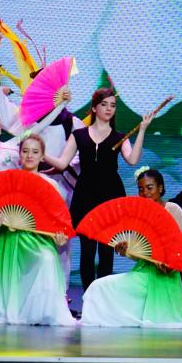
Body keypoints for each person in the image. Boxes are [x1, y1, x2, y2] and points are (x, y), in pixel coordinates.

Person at [44, 88, 153, 290]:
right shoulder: (78, 135)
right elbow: (62, 163)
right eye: (104, 104)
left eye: (113, 105)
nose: (109, 108)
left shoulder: (120, 137)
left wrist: (143, 130)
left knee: (106, 250)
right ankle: (88, 296)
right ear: (94, 108)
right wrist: (41, 152)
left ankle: (102, 296)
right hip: (85, 195)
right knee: (87, 250)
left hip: (111, 195)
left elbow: (132, 160)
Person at [0, 135, 74, 326]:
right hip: (12, 240)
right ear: (19, 154)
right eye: (25, 151)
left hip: (39, 240)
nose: (30, 155)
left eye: (35, 152)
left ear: (42, 156)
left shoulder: (51, 185)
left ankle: (40, 312)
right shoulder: (7, 181)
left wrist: (60, 238)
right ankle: (18, 311)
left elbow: (57, 223)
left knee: (47, 259)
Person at [80, 174, 182, 330]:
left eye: (149, 188)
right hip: (142, 272)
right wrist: (125, 251)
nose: (145, 193)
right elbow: (140, 254)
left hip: (166, 275)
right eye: (141, 189)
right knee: (99, 286)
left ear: (160, 188)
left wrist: (172, 264)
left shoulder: (173, 209)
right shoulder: (141, 213)